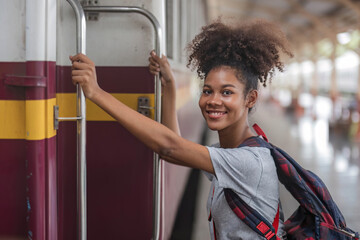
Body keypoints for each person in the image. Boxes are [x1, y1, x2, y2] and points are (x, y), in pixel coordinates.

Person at [70, 19, 293, 240]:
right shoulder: (229, 152)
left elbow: (169, 147)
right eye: (207, 91)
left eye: (227, 92)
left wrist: (96, 93)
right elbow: (177, 149)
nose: (213, 100)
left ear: (250, 98)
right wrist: (169, 85)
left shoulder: (247, 162)